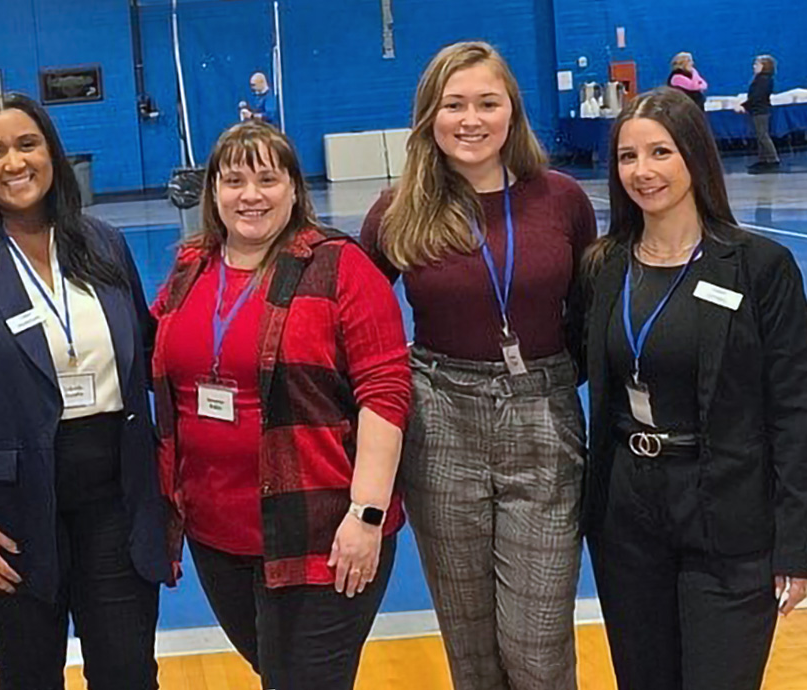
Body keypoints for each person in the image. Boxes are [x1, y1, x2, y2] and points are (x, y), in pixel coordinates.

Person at [0, 93, 169, 690]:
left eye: (27, 144)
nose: (13, 163)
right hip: (7, 509)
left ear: (51, 153)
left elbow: (147, 356)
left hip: (115, 502)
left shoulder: (102, 245)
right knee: (28, 674)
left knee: (128, 671)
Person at [360, 41, 596, 689]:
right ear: (428, 117)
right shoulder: (397, 210)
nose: (471, 119)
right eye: (453, 104)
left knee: (538, 648)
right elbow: (351, 316)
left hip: (544, 421)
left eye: (487, 103)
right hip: (439, 424)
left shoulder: (562, 200)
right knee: (471, 650)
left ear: (511, 113)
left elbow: (593, 312)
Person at [151, 121, 410, 689]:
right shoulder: (192, 267)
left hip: (321, 532)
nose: (250, 195)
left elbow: (385, 392)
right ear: (212, 192)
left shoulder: (339, 267)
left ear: (295, 189)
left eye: (268, 179)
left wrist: (366, 515)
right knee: (280, 676)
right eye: (234, 179)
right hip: (218, 534)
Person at [582, 86, 807, 690]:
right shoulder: (605, 267)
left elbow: (793, 410)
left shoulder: (759, 268)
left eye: (661, 152)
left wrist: (796, 545)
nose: (643, 171)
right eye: (628, 157)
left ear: (695, 157)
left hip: (730, 512)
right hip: (627, 513)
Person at [737, 55, 779, 173]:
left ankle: (772, 159)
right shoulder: (761, 79)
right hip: (757, 110)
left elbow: (757, 97)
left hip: (760, 111)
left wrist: (744, 105)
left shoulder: (763, 80)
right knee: (760, 135)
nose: (754, 66)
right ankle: (763, 159)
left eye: (757, 64)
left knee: (763, 135)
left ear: (764, 66)